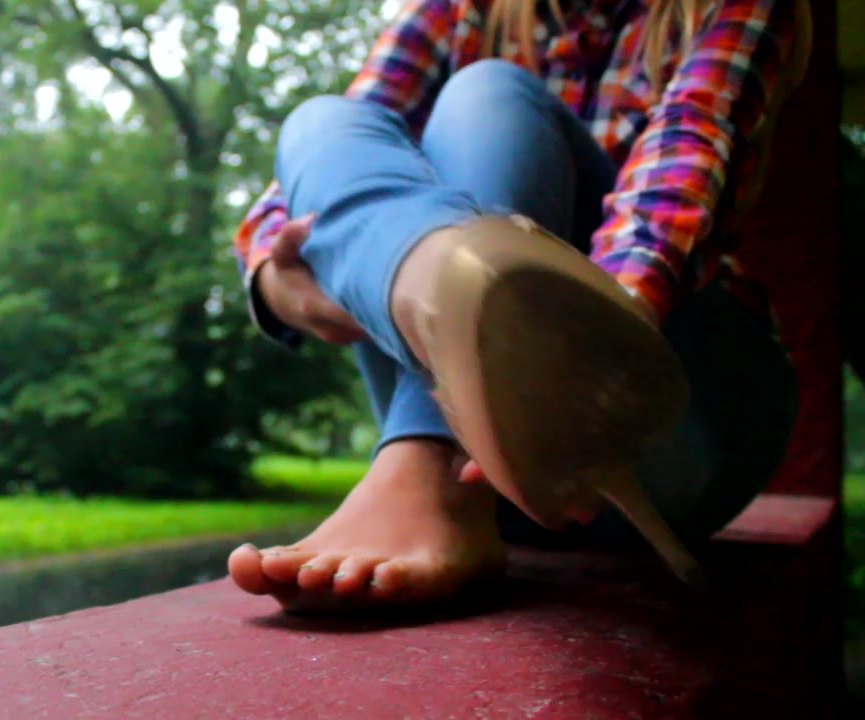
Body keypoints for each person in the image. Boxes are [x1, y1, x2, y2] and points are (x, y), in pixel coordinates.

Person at [227, 0, 809, 612]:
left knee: (488, 96)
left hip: (667, 419)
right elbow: (295, 195)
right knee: (322, 122)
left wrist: (540, 352)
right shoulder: (458, 11)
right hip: (505, 474)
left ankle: (434, 460)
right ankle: (431, 302)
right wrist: (280, 279)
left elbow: (676, 177)